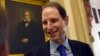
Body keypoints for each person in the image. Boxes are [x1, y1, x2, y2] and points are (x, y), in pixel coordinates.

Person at [25, 2, 94, 56]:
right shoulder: (32, 54)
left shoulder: (85, 49)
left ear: (66, 20)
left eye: (53, 20)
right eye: (45, 22)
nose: (48, 27)